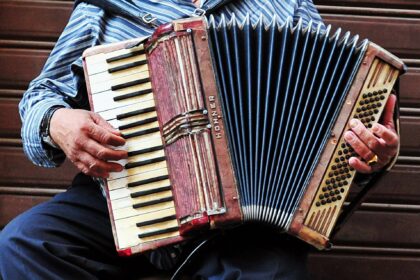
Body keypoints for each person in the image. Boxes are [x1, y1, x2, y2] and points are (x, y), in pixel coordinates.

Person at [0, 0, 400, 279]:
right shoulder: (105, 4)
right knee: (24, 245)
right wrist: (57, 122)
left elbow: (333, 105)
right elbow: (41, 97)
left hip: (242, 223)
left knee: (274, 274)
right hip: (123, 191)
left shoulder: (286, 4)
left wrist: (372, 153)